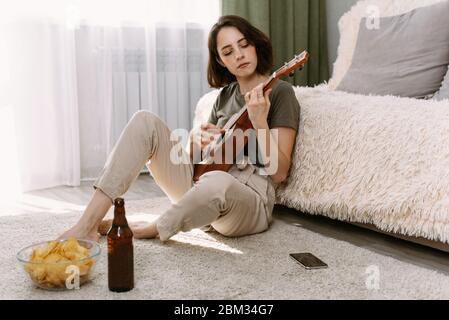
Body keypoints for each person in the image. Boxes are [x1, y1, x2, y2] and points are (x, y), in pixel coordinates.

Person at [58, 15, 300, 243]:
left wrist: (259, 122)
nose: (239, 55)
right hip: (204, 187)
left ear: (255, 45)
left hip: (248, 202)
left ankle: (153, 228)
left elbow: (278, 174)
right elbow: (200, 164)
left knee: (217, 181)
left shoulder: (280, 93)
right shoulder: (224, 96)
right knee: (145, 121)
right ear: (221, 61)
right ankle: (87, 224)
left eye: (244, 45)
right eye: (228, 51)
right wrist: (195, 141)